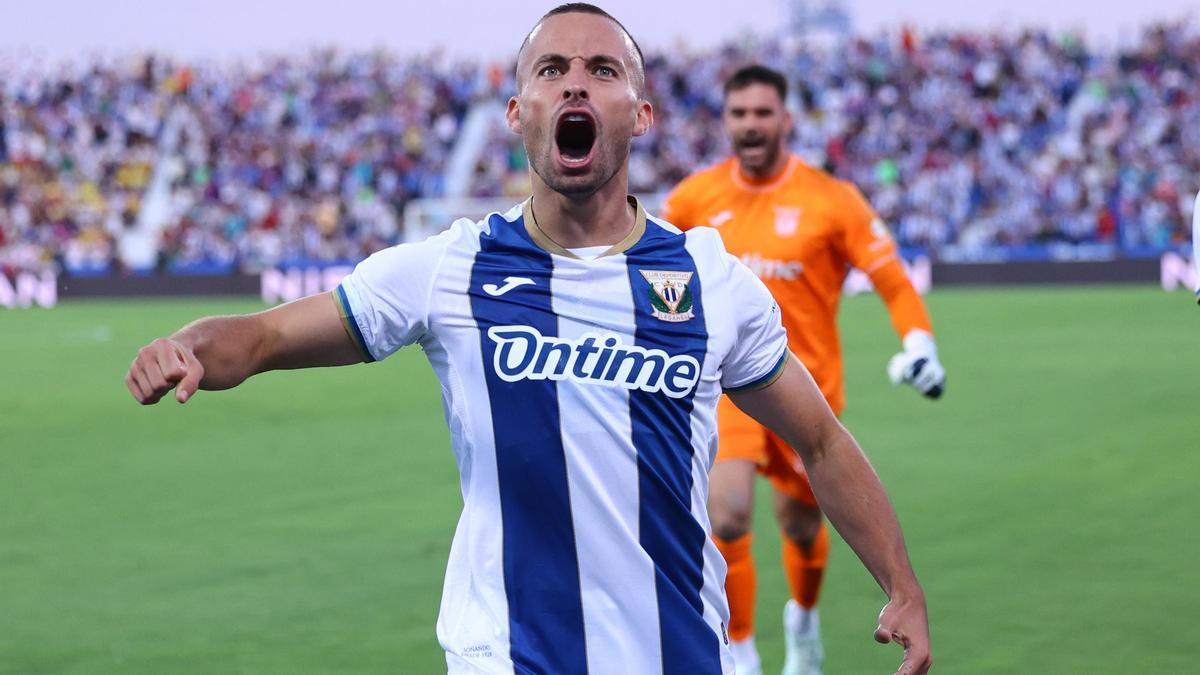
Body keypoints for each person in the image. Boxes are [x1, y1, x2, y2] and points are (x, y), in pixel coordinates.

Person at [125, 8, 932, 675]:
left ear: (640, 115)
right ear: (518, 113)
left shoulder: (708, 281)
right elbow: (264, 335)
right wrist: (190, 344)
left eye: (603, 69)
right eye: (549, 70)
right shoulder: (449, 269)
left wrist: (901, 583)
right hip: (505, 654)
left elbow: (820, 439)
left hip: (679, 654)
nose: (575, 80)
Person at [660, 64, 945, 675]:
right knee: (728, 510)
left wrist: (919, 342)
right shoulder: (692, 199)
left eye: (763, 113)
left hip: (804, 391)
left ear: (786, 120)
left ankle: (804, 620)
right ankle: (740, 647)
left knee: (799, 525)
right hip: (725, 389)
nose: (750, 124)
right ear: (726, 122)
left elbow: (892, 281)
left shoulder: (833, 199)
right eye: (739, 114)